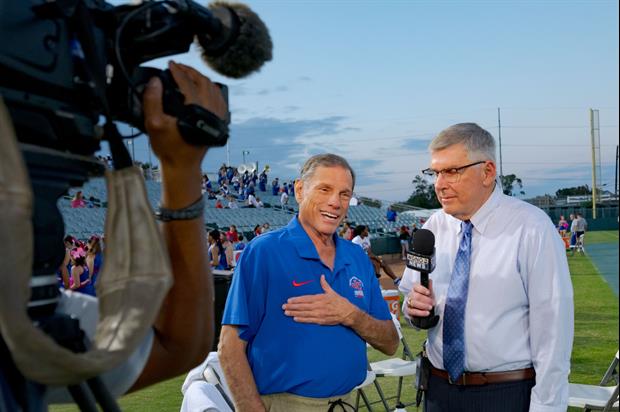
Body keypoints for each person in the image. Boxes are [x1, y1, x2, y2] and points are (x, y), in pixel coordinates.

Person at [399, 123, 573, 412]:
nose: (439, 184)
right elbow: (410, 302)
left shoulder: (531, 227)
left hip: (506, 392)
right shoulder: (433, 227)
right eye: (435, 172)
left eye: (452, 171)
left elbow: (553, 331)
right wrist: (414, 309)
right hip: (439, 391)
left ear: (488, 172)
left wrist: (548, 405)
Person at [218, 153, 398, 412]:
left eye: (344, 194)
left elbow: (391, 343)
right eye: (324, 189)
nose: (335, 202)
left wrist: (351, 315)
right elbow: (230, 347)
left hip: (348, 402)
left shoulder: (356, 256)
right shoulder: (265, 252)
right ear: (300, 190)